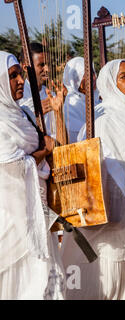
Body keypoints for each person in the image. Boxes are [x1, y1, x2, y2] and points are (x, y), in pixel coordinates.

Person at [62, 59, 125, 300]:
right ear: (109, 84)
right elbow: (106, 168)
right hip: (112, 217)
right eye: (123, 77)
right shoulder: (101, 118)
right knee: (107, 281)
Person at [0, 51, 65, 300]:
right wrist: (43, 152)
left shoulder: (23, 114)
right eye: (12, 76)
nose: (20, 81)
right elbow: (10, 167)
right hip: (12, 221)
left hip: (39, 214)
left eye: (20, 74)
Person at [18, 42, 58, 139]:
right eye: (41, 65)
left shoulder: (51, 95)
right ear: (25, 68)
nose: (47, 69)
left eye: (48, 64)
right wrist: (32, 114)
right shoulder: (18, 97)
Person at [62, 57, 99, 143]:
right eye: (87, 75)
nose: (93, 78)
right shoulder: (71, 104)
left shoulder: (96, 99)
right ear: (75, 80)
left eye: (93, 73)